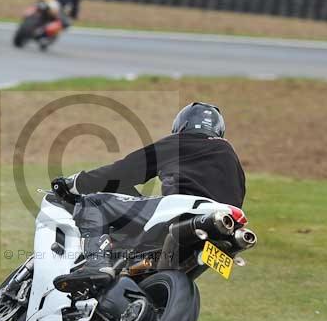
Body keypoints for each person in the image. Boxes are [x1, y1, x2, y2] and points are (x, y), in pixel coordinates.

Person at [51, 102, 246, 293]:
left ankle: (96, 264)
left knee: (94, 202)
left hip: (185, 210)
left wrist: (77, 182)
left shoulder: (181, 142)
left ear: (182, 126)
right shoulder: (232, 158)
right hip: (224, 229)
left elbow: (124, 171)